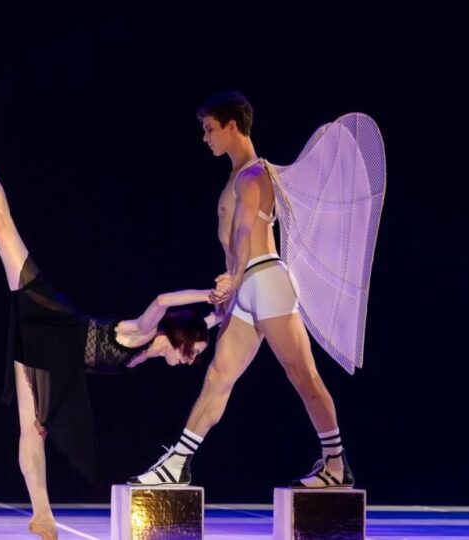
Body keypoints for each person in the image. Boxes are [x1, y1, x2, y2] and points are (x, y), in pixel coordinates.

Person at [0, 89, 220, 539]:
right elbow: (163, 301)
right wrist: (208, 294)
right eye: (193, 352)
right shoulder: (145, 332)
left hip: (51, 357)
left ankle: (42, 514)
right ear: (181, 338)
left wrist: (227, 304)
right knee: (1, 224)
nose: (192, 360)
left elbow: (208, 325)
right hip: (51, 320)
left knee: (32, 429)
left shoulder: (156, 351)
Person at [128, 92, 354, 489]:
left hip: (265, 280)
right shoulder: (238, 177)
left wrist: (234, 277)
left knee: (302, 374)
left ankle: (336, 465)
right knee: (218, 376)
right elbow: (235, 238)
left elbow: (247, 228)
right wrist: (233, 287)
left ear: (232, 126)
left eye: (210, 129)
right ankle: (177, 463)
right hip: (247, 286)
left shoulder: (253, 174)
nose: (205, 138)